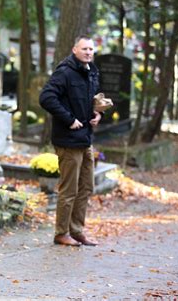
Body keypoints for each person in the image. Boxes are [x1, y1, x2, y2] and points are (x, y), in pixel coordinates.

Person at [39, 35, 102, 247]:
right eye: (84, 49)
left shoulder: (91, 71)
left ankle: (76, 230)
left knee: (86, 187)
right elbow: (47, 98)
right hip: (68, 140)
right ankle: (61, 232)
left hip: (85, 139)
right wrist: (69, 119)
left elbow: (91, 100)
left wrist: (97, 113)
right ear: (75, 50)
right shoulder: (64, 72)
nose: (88, 52)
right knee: (69, 190)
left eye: (91, 49)